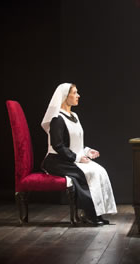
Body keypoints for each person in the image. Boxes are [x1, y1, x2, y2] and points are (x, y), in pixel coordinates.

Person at [41, 83, 117, 225]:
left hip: (70, 158)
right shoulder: (57, 118)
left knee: (100, 170)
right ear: (65, 96)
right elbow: (57, 145)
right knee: (87, 174)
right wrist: (76, 158)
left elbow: (75, 142)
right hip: (56, 160)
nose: (78, 95)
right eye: (75, 93)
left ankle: (97, 213)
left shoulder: (74, 115)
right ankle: (89, 214)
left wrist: (87, 151)